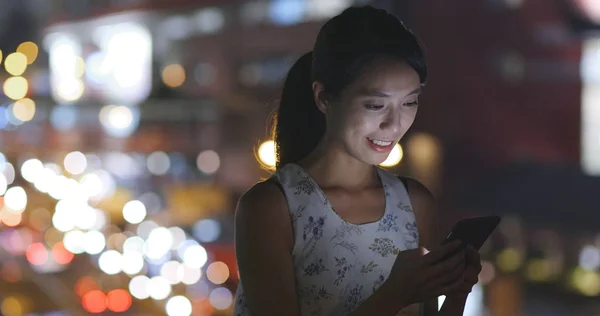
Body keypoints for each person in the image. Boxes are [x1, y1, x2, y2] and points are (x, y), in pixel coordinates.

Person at [233, 6, 481, 316]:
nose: (394, 125)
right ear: (324, 98)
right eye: (376, 105)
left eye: (410, 102)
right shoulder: (273, 207)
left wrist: (457, 292)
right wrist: (394, 295)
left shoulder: (414, 203)